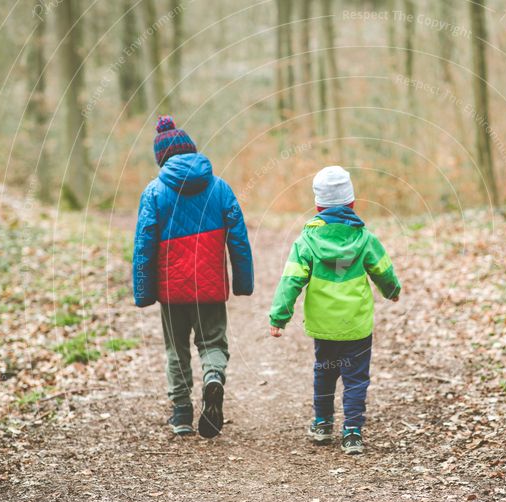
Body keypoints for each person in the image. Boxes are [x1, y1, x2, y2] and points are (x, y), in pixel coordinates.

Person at [133, 115, 253, 438]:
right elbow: (238, 238)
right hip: (210, 287)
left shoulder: (154, 193)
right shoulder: (219, 187)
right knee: (212, 342)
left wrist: (143, 292)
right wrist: (243, 281)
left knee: (176, 349)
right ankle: (213, 377)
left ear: (161, 159)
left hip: (171, 290)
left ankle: (182, 413)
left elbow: (144, 245)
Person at [268, 166, 401, 454]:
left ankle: (322, 424)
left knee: (325, 372)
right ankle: (352, 431)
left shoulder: (307, 241)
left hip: (324, 326)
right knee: (356, 377)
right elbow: (383, 270)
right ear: (352, 203)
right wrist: (392, 291)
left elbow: (291, 280)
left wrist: (279, 317)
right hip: (356, 325)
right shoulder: (364, 238)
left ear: (318, 205)